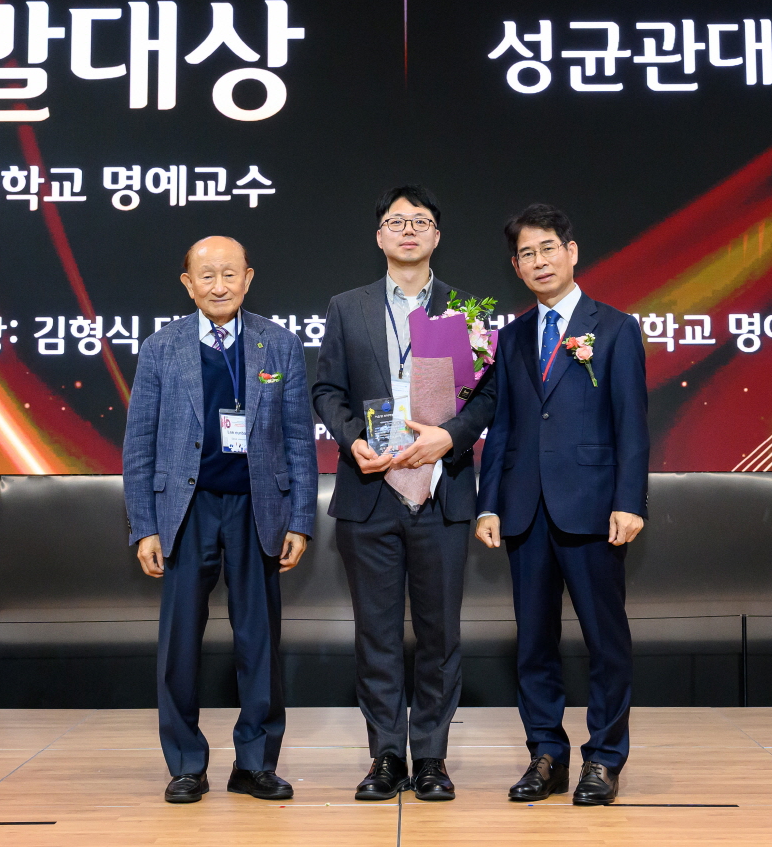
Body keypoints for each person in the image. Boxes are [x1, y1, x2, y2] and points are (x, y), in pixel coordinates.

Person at [312, 185, 496, 802]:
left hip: (441, 490)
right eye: (397, 221)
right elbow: (326, 391)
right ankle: (387, 755)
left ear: (437, 235)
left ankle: (433, 758)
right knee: (377, 633)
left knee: (440, 634)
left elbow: (489, 396)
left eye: (420, 221)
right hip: (370, 490)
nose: (408, 230)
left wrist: (451, 438)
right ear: (379, 236)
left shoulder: (466, 310)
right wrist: (350, 441)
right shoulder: (348, 307)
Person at [122, 235, 317, 804]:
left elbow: (299, 439)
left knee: (260, 642)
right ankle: (186, 764)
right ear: (188, 284)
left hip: (259, 508)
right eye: (206, 275)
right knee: (179, 643)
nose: (219, 285)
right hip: (186, 510)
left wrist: (301, 519)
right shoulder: (162, 347)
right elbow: (139, 443)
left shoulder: (279, 344)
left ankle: (255, 764)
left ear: (248, 278)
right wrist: (144, 525)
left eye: (230, 274)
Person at [472, 203, 648, 806]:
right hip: (524, 509)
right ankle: (546, 753)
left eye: (548, 248)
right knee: (533, 643)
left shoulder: (616, 328)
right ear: (516, 268)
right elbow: (502, 426)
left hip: (594, 507)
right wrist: (489, 504)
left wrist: (629, 500)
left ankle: (604, 758)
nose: (538, 261)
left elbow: (632, 424)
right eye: (526, 253)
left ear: (572, 252)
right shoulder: (513, 335)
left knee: (605, 640)